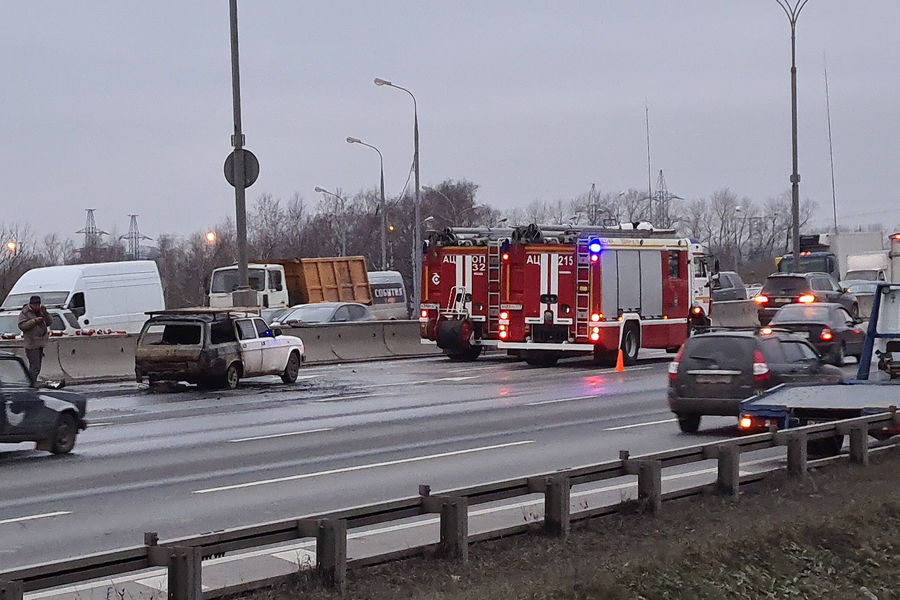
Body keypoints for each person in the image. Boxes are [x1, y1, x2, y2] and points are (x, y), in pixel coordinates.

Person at [18, 295, 52, 381]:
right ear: (31, 304)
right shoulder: (25, 312)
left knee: (38, 367)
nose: (37, 307)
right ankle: (30, 382)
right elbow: (22, 326)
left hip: (40, 342)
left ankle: (32, 381)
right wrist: (34, 321)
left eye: (38, 304)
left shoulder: (41, 311)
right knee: (35, 366)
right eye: (35, 305)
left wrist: (45, 313)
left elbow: (49, 322)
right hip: (31, 343)